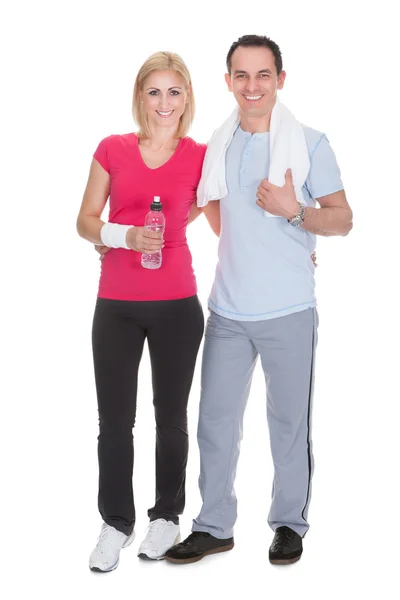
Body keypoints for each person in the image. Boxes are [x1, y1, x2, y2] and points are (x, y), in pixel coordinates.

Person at [164, 34, 353, 566]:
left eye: (263, 75)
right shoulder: (217, 146)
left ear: (280, 81)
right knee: (214, 423)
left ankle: (289, 524)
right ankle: (214, 526)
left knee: (289, 423)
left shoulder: (310, 143)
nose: (252, 86)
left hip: (289, 311)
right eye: (241, 76)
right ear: (228, 82)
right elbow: (210, 209)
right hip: (227, 311)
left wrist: (295, 213)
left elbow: (342, 218)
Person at [76, 51, 218, 572]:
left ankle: (166, 517)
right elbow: (86, 221)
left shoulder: (201, 155)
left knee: (170, 417)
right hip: (115, 305)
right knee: (114, 422)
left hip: (178, 306)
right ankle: (115, 523)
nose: (164, 102)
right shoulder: (112, 149)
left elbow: (218, 211)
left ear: (187, 99)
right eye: (154, 91)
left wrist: (297, 245)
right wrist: (123, 236)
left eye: (174, 92)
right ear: (140, 96)